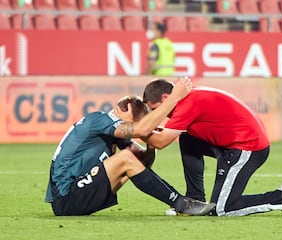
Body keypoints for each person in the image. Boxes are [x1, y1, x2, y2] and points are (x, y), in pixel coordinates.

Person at [45, 78, 216, 216]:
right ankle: (182, 204)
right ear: (127, 110)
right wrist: (173, 98)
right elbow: (141, 130)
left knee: (129, 158)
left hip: (79, 195)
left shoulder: (111, 131)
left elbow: (142, 163)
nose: (140, 127)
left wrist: (151, 145)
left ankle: (182, 202)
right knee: (125, 158)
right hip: (66, 199)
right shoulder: (99, 120)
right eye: (139, 121)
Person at [142, 78, 282, 217]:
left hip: (248, 147)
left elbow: (161, 142)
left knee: (222, 208)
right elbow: (166, 134)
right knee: (187, 139)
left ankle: (280, 197)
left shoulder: (187, 104)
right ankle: (194, 201)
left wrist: (134, 129)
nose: (157, 113)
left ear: (165, 98)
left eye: (155, 109)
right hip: (235, 143)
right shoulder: (188, 99)